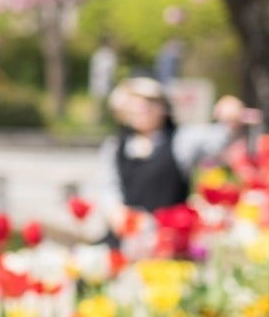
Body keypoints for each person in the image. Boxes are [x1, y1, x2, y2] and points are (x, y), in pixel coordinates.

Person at [94, 76, 258, 229]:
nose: (142, 107)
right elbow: (109, 189)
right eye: (135, 101)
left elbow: (217, 140)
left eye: (150, 101)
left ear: (164, 107)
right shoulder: (115, 146)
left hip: (171, 236)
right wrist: (117, 213)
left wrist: (230, 119)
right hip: (126, 239)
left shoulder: (181, 140)